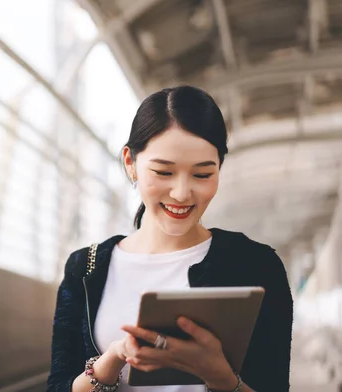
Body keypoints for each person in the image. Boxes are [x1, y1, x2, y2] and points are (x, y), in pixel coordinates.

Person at [47, 86, 293, 392]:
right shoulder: (85, 267)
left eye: (202, 175)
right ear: (130, 162)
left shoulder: (257, 266)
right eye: (163, 172)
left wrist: (220, 377)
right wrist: (113, 358)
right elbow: (58, 385)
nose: (181, 193)